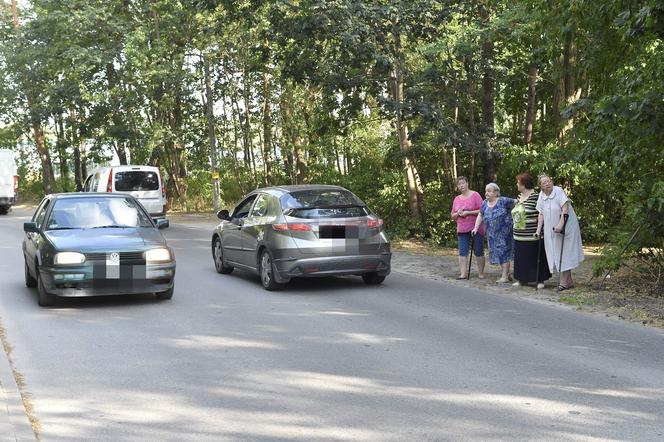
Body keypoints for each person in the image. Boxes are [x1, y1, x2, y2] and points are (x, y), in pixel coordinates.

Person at [535, 174, 584, 291]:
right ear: (540, 186)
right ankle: (569, 281)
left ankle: (563, 282)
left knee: (564, 252)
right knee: (555, 252)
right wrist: (538, 230)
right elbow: (541, 214)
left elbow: (565, 209)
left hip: (567, 226)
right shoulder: (541, 196)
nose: (548, 183)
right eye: (544, 182)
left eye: (549, 181)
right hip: (551, 229)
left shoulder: (558, 191)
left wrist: (560, 226)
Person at [511, 173, 551, 289]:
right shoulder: (519, 196)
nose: (517, 185)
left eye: (518, 183)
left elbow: (541, 213)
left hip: (532, 235)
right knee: (521, 259)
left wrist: (539, 230)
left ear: (524, 184)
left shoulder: (536, 196)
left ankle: (540, 280)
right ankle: (521, 279)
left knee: (535, 257)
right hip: (519, 235)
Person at [472, 183, 514, 283]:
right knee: (499, 253)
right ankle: (507, 274)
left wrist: (514, 218)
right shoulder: (484, 203)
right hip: (492, 234)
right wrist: (476, 228)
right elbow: (481, 215)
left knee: (504, 252)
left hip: (505, 233)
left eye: (489, 191)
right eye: (486, 190)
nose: (487, 193)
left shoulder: (503, 201)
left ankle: (504, 276)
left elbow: (518, 203)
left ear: (496, 192)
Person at [450, 176, 485, 279]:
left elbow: (482, 210)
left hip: (476, 227)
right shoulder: (456, 199)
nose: (461, 186)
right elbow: (452, 215)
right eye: (459, 184)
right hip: (462, 228)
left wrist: (468, 212)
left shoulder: (475, 195)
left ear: (467, 183)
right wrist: (457, 214)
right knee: (462, 251)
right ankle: (463, 274)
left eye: (463, 183)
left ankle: (481, 273)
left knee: (478, 250)